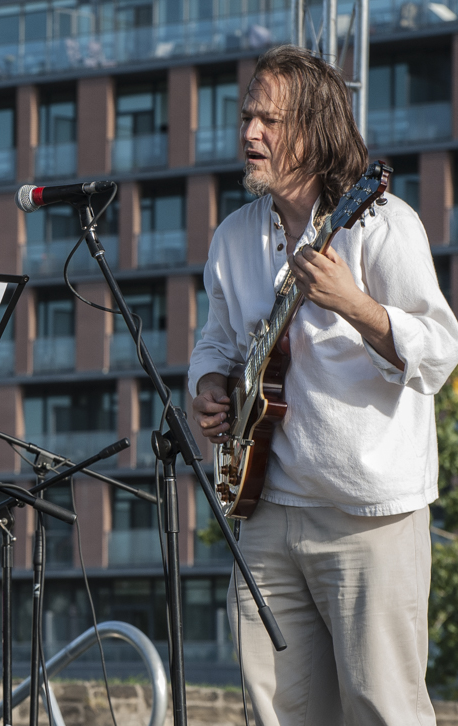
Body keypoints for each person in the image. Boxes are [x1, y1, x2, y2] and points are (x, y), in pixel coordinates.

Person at [189, 44, 458, 725]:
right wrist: (210, 383)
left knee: (383, 709)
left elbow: (440, 352)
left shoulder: (384, 225)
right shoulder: (231, 238)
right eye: (247, 116)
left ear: (315, 131)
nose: (250, 133)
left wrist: (355, 305)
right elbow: (215, 339)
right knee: (278, 712)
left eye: (270, 121)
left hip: (369, 516)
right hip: (266, 508)